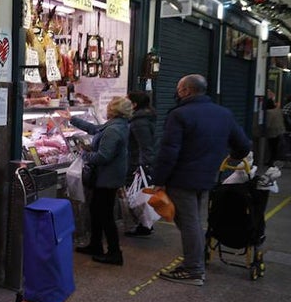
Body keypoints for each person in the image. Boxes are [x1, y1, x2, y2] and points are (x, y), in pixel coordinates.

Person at [153, 74, 251, 286]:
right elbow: (243, 145)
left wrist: (159, 180)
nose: (177, 93)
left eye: (179, 89)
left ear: (186, 91)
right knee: (195, 221)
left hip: (181, 179)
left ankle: (194, 269)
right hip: (208, 177)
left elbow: (169, 151)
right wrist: (230, 159)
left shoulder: (179, 115)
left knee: (189, 223)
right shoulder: (223, 113)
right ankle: (195, 263)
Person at [70, 97, 132, 264]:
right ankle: (95, 245)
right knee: (97, 212)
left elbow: (103, 156)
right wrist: (71, 118)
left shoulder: (113, 130)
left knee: (105, 215)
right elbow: (95, 129)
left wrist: (84, 154)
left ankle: (114, 253)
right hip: (108, 177)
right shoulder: (117, 125)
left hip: (107, 178)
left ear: (113, 110)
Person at [125, 90, 157, 237]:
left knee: (137, 196)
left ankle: (144, 225)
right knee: (138, 195)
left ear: (135, 104)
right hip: (136, 162)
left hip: (136, 163)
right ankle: (144, 225)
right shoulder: (141, 119)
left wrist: (143, 166)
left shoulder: (139, 122)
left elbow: (145, 146)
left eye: (127, 100)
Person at [258, 95, 286, 166]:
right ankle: (274, 161)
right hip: (280, 131)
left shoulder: (268, 112)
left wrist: (262, 129)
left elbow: (268, 124)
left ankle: (271, 161)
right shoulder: (278, 110)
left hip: (272, 132)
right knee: (276, 147)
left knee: (271, 147)